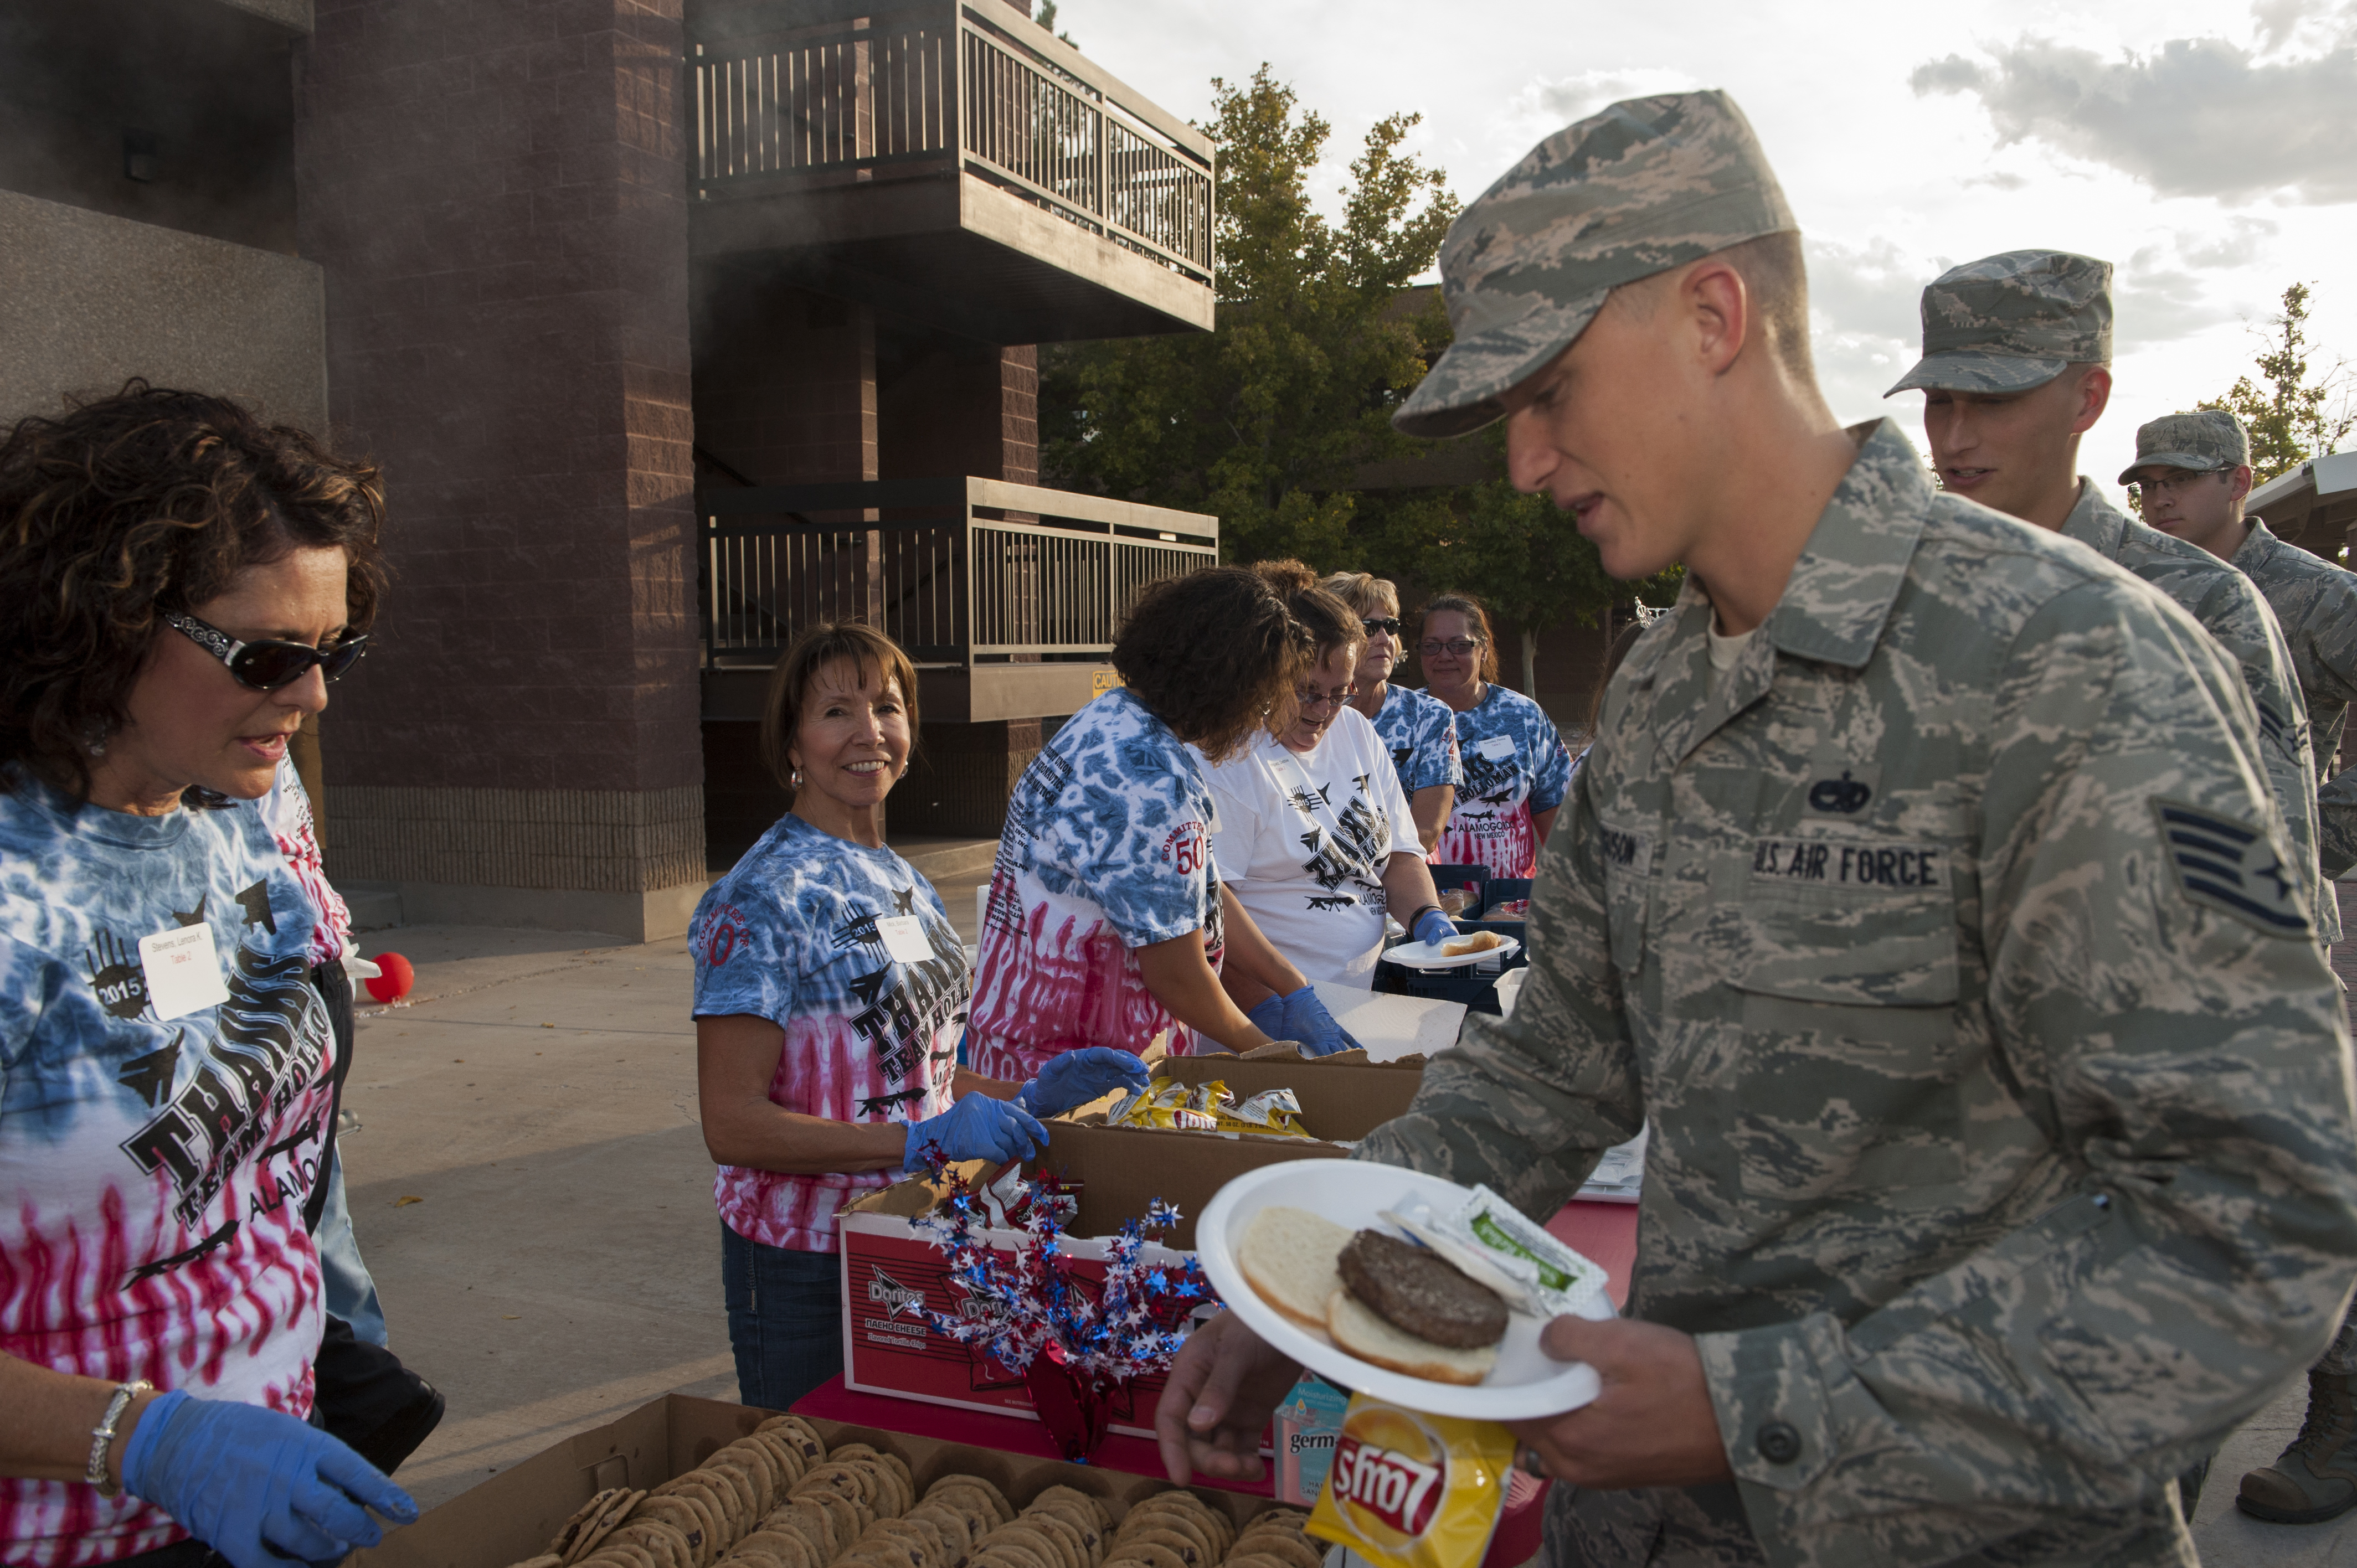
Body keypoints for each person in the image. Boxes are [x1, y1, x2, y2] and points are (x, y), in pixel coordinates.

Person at [1154, 90, 2357, 1567]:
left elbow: (2260, 1223)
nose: (1526, 464)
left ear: (1715, 314)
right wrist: (1334, 1281)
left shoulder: (2069, 666)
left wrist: (1757, 1410)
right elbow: (1549, 1068)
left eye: (1550, 394)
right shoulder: (1664, 689)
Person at [0, 385, 418, 1566]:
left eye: (336, 650)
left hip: (273, 1487)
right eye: (269, 653)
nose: (314, 695)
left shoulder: (239, 813)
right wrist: (144, 1441)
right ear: (102, 618)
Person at [691, 623, 1144, 1411]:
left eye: (888, 708)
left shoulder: (905, 881)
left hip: (916, 1233)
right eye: (836, 712)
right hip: (805, 1262)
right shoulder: (762, 896)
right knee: (810, 1481)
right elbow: (731, 1125)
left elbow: (917, 1074)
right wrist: (919, 1143)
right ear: (792, 741)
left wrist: (1024, 1095)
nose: (868, 733)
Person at [1891, 251, 2328, 957]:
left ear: (2086, 400)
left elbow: (2262, 895)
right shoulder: (1895, 591)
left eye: (1994, 401)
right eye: (1939, 401)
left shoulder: (2201, 605)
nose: (1954, 439)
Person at [2126, 409, 2357, 1524]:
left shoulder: (2312, 593)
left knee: (2293, 1180)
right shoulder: (2140, 588)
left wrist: (2331, 822)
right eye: (2144, 483)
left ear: (2239, 482)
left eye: (2179, 480)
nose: (2158, 499)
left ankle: (2344, 1412)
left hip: (2279, 938)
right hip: (2151, 934)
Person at [966, 568, 1360, 1077]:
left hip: (1029, 1045)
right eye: (1265, 694)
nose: (1264, 711)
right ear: (1228, 686)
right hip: (1072, 1075)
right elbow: (1177, 977)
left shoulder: (1109, 717)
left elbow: (1200, 891)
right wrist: (1272, 1055)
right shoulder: (1152, 781)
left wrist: (1293, 987)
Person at [1198, 563, 1453, 1000]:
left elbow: (1401, 855)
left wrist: (1426, 914)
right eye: (1307, 691)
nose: (1324, 709)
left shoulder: (1356, 731)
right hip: (1267, 1004)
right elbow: (1212, 911)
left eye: (1340, 693)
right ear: (1271, 673)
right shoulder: (1233, 755)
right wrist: (1274, 1005)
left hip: (1354, 997)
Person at [1416, 592, 1571, 878]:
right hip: (1425, 906)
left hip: (1508, 906)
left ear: (1483, 649)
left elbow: (1561, 828)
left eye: (1460, 645)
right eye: (1432, 646)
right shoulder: (1402, 719)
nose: (1445, 656)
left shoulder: (1523, 717)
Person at [1321, 571, 1461, 854]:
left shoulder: (1429, 717)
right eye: (1369, 628)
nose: (1385, 638)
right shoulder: (1307, 714)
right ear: (1332, 636)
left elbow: (1425, 833)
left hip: (1406, 884)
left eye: (1391, 626)